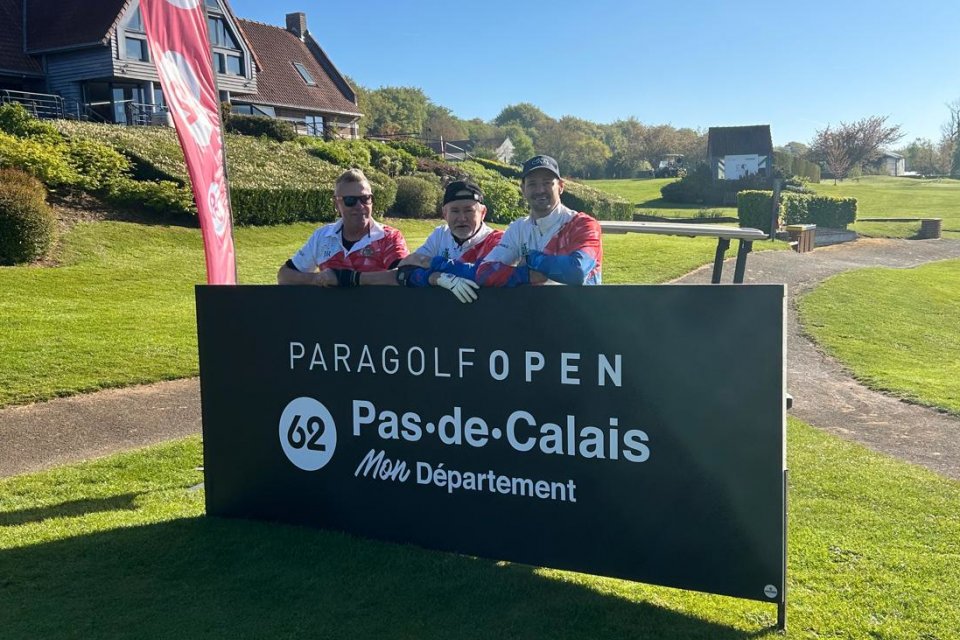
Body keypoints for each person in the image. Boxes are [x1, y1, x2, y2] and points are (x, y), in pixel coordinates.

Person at [475, 155, 602, 287]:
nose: (540, 190)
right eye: (532, 184)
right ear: (523, 189)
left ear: (561, 186)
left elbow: (577, 271)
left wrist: (531, 258)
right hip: (534, 301)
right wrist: (527, 275)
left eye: (547, 183)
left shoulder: (583, 225)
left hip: (581, 301)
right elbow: (484, 273)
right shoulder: (518, 228)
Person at [277, 168, 408, 287]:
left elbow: (403, 276)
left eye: (365, 198)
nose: (360, 206)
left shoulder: (389, 237)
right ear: (336, 204)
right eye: (350, 200)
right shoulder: (322, 236)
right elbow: (284, 276)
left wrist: (350, 279)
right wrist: (317, 279)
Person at [396, 180, 502, 301]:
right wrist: (434, 278)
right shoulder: (440, 234)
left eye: (469, 210)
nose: (462, 218)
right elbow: (405, 272)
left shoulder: (497, 240)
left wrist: (433, 263)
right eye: (455, 211)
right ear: (445, 214)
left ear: (483, 213)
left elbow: (485, 275)